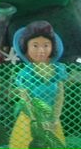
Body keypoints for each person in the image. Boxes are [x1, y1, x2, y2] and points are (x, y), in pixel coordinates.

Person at [9, 21, 67, 149]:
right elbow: (25, 99)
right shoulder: (25, 74)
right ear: (27, 48)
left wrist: (55, 118)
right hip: (30, 120)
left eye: (46, 45)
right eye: (35, 46)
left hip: (52, 119)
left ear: (52, 46)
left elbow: (60, 96)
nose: (41, 51)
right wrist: (37, 121)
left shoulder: (59, 70)